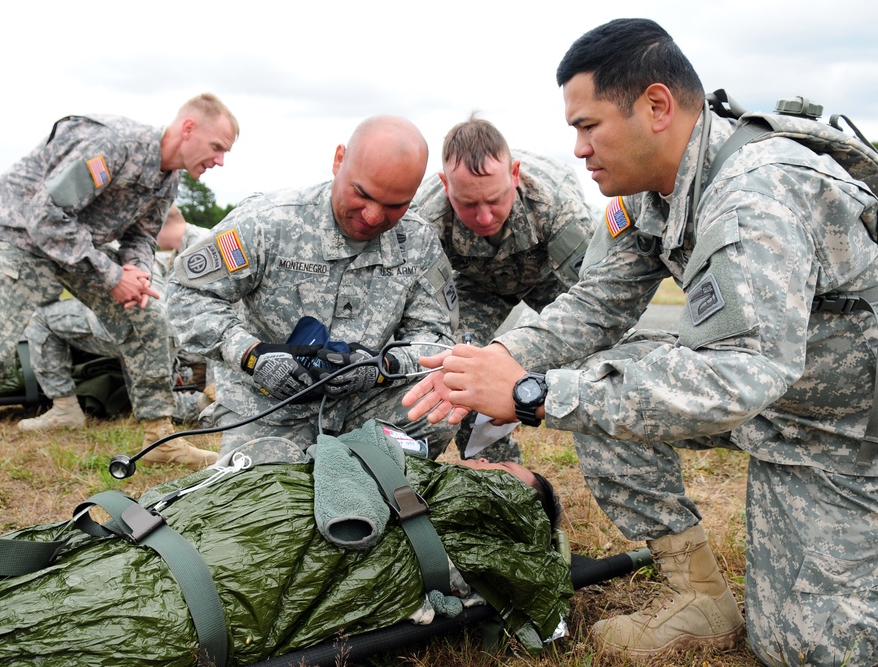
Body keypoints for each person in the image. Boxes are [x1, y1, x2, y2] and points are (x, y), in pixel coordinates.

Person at [403, 18, 878, 666]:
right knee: (603, 379)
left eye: (587, 126)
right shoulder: (649, 196)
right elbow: (599, 301)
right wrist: (507, 358)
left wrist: (533, 393)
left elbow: (738, 375)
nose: (576, 149)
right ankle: (698, 594)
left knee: (819, 649)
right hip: (785, 409)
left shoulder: (755, 194)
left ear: (656, 106)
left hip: (845, 431)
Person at [0, 421, 570, 667]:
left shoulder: (480, 514)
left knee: (38, 621)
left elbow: (542, 584)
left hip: (216, 579)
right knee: (26, 572)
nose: (482, 465)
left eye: (504, 472)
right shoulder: (400, 465)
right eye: (488, 464)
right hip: (191, 525)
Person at [0, 94, 238, 514]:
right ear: (188, 129)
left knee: (148, 318)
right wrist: (112, 275)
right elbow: (46, 215)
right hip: (19, 240)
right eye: (218, 147)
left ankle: (159, 439)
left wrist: (135, 273)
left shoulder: (167, 179)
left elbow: (141, 237)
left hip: (79, 251)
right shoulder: (114, 145)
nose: (221, 160)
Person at [168, 115, 460, 458]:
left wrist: (382, 368)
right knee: (270, 502)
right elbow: (186, 293)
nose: (372, 216)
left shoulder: (418, 241)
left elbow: (436, 339)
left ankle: (355, 465)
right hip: (269, 406)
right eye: (362, 193)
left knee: (443, 402)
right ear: (339, 161)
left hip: (361, 406)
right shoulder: (269, 222)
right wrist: (250, 354)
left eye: (395, 205)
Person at [412, 116, 595, 463]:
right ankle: (496, 469)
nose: (483, 218)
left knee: (597, 357)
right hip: (478, 284)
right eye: (468, 204)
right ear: (445, 185)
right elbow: (419, 305)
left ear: (514, 174)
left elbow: (595, 299)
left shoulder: (557, 204)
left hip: (548, 278)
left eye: (494, 200)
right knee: (461, 364)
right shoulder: (425, 217)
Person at [16, 205, 215, 432]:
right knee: (154, 402)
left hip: (131, 326)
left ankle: (64, 408)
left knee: (43, 318)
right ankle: (204, 403)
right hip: (163, 332)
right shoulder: (148, 247)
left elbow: (45, 294)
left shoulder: (82, 232)